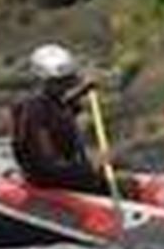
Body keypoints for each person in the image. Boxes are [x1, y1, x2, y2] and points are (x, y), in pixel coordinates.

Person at [11, 43, 109, 194]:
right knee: (117, 180)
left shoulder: (51, 102)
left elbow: (62, 108)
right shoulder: (33, 112)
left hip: (67, 173)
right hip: (49, 180)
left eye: (67, 80)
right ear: (44, 81)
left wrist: (84, 90)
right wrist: (91, 168)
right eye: (60, 82)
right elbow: (46, 164)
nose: (66, 86)